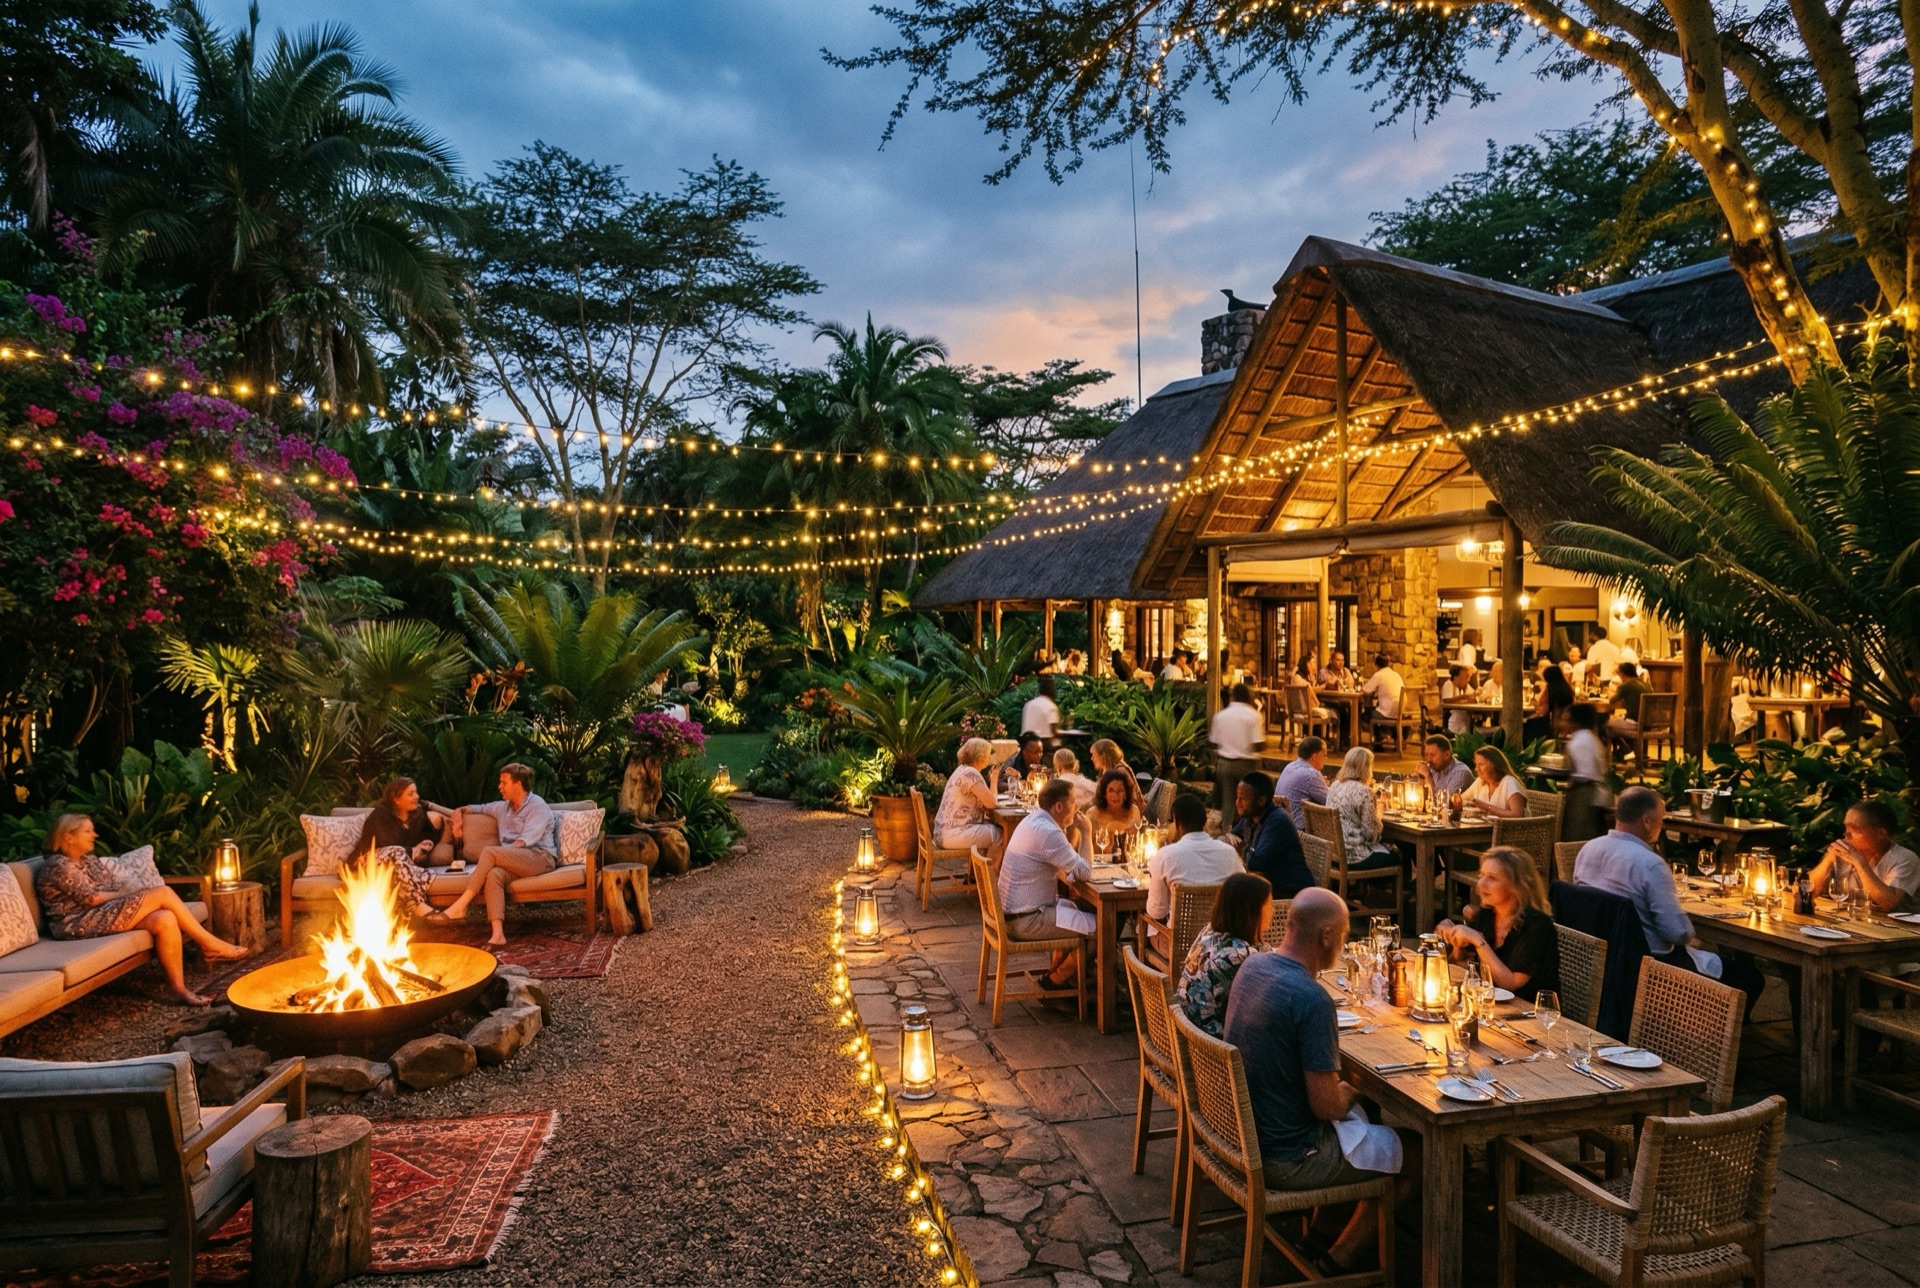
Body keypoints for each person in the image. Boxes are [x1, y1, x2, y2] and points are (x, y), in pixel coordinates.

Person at [1223, 888, 1407, 1275]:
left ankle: (1320, 1234)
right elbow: (1326, 1106)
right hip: (1287, 1159)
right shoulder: (1311, 999)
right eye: (1341, 936)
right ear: (1326, 936)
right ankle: (1341, 1258)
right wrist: (1361, 1086)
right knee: (1420, 1152)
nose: (1341, 945)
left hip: (1243, 1136)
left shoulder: (1253, 966)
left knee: (1362, 1122)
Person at [1573, 786, 1765, 1002]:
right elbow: (1677, 933)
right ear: (1647, 820)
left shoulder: (1587, 850)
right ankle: (1714, 1031)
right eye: (1661, 820)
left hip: (1599, 958)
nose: (1661, 826)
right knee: (1752, 979)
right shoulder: (1650, 864)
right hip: (1652, 968)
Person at [34, 814, 249, 1006]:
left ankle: (179, 990)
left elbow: (109, 888)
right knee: (162, 893)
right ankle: (210, 944)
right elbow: (92, 898)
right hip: (76, 922)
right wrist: (132, 896)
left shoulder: (88, 862)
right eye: (87, 831)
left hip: (98, 912)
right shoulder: (58, 865)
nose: (94, 835)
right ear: (68, 837)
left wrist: (126, 895)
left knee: (164, 918)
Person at [442, 763, 558, 947]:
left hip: (540, 858)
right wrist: (459, 813)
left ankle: (461, 905)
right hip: (517, 861)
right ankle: (498, 935)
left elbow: (525, 841)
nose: (499, 787)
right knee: (494, 874)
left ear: (518, 784)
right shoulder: (502, 808)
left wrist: (500, 855)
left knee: (490, 852)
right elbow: (478, 808)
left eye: (504, 783)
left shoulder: (537, 806)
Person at [997, 779, 1092, 987]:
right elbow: (1084, 872)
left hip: (1013, 915)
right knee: (1101, 927)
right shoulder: (1049, 833)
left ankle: (1062, 975)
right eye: (1073, 803)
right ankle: (1055, 981)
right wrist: (1087, 832)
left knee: (1079, 909)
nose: (1077, 808)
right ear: (1058, 806)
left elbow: (1068, 862)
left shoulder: (1034, 820)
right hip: (1027, 921)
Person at [1437, 846, 1559, 1000]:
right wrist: (1452, 936)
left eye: (1492, 878)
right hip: (1491, 1008)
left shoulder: (1538, 926)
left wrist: (1477, 939)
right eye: (1482, 875)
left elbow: (1510, 983)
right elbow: (1461, 957)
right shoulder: (1488, 915)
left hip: (1532, 1013)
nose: (1481, 883)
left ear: (1516, 886)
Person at [1177, 871, 1272, 1036]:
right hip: (1212, 1046)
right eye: (1268, 904)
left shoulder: (1209, 932)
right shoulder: (1241, 956)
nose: (1272, 910)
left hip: (1185, 1027)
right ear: (1252, 911)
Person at [354, 776, 453, 918]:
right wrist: (413, 850)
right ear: (396, 798)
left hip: (396, 866)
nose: (416, 797)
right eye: (410, 794)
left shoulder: (416, 818)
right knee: (399, 854)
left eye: (416, 792)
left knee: (423, 873)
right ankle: (418, 906)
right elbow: (385, 844)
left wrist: (424, 843)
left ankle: (410, 909)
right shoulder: (381, 814)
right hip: (366, 863)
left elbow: (432, 833)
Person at [1806, 800, 1920, 914]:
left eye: (1855, 829)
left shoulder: (1904, 858)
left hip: (1897, 928)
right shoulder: (1843, 853)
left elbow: (1888, 903)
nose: (1846, 834)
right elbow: (1808, 891)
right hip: (1852, 921)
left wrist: (1859, 862)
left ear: (1882, 834)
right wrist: (1828, 860)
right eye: (1846, 827)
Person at [1149, 794, 1244, 925]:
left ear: (1177, 823)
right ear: (1204, 820)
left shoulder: (1165, 855)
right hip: (1219, 940)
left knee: (1143, 924)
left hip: (1179, 942)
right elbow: (1244, 892)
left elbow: (1156, 912)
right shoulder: (1229, 853)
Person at [1233, 772, 1315, 898]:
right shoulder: (1250, 817)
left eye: (1243, 799)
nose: (1237, 803)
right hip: (1267, 882)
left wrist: (1241, 849)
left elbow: (1256, 863)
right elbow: (1232, 837)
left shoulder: (1277, 821)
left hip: (1290, 891)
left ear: (1261, 801)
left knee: (1235, 891)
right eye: (1237, 797)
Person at [1324, 747, 1398, 868]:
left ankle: (1375, 885)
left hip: (1333, 852)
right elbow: (1371, 834)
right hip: (1354, 856)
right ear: (1366, 767)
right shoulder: (1364, 791)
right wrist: (1379, 811)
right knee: (1397, 855)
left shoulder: (1334, 785)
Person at [1211, 682, 1265, 828]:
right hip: (1246, 764)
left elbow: (1213, 743)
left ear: (1232, 696)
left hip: (1224, 763)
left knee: (1228, 802)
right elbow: (1258, 744)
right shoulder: (1254, 716)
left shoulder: (1220, 716)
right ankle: (1247, 831)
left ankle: (1227, 832)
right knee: (1248, 801)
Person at [935, 739, 1003, 853]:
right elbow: (992, 803)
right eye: (987, 755)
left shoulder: (962, 770)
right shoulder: (971, 773)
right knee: (1001, 835)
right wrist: (994, 780)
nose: (989, 759)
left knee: (991, 827)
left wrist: (993, 780)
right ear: (979, 757)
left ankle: (980, 870)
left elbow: (989, 801)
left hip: (943, 832)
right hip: (952, 835)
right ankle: (991, 871)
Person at [1561, 703, 1611, 843]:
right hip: (1595, 791)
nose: (1562, 724)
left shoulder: (1578, 741)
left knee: (1577, 835)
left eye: (1566, 720)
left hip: (1584, 792)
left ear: (1576, 723)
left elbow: (1584, 772)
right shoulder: (1592, 739)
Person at [1276, 736, 1330, 830]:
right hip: (1299, 829)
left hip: (1282, 823)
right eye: (1324, 755)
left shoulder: (1290, 766)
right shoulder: (1312, 774)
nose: (1326, 758)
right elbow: (1330, 801)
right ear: (1315, 756)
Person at [1462, 746, 1528, 819]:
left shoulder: (1509, 782)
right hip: (1487, 828)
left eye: (1481, 764)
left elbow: (1518, 815)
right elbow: (1462, 799)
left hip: (1512, 829)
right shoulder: (1480, 782)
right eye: (1476, 764)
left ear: (1494, 765)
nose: (1476, 769)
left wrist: (1487, 807)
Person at [1086, 768, 1145, 849]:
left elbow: (1137, 845)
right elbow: (1085, 846)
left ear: (1126, 794)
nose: (1116, 795)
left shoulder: (1134, 811)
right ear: (1104, 793)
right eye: (1111, 790)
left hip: (1126, 861)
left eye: (1120, 790)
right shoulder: (1092, 814)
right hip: (1099, 860)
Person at [1524, 660, 1575, 743]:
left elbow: (1542, 707)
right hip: (1567, 723)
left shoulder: (1550, 689)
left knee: (1527, 723)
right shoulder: (1567, 688)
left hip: (1552, 725)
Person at [1360, 653, 1404, 745]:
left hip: (1386, 713)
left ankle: (1380, 738)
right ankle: (1384, 736)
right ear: (1388, 663)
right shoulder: (1396, 675)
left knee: (1361, 717)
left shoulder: (1379, 675)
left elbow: (1365, 691)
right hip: (1399, 711)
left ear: (1376, 665)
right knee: (1376, 709)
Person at [1606, 662, 1653, 747]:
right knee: (1617, 722)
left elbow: (1611, 700)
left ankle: (1625, 750)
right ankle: (1628, 750)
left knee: (1606, 725)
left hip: (1634, 723)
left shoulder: (1625, 685)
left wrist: (1610, 691)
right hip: (1649, 724)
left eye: (1618, 673)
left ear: (1622, 673)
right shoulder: (1647, 685)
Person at [1417, 734, 1474, 801]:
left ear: (1446, 755)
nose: (1429, 759)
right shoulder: (1434, 768)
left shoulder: (1460, 772)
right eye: (1427, 755)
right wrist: (1420, 778)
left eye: (1432, 755)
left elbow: (1445, 802)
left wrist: (1429, 777)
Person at [1022, 674, 1062, 742]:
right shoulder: (1051, 707)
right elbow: (1054, 731)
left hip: (1026, 742)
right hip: (1044, 744)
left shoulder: (1028, 705)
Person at [1440, 664, 1475, 735]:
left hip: (1465, 720)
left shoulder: (1467, 687)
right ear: (1456, 677)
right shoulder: (1449, 684)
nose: (1467, 679)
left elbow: (1472, 696)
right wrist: (1463, 697)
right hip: (1452, 721)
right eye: (1465, 677)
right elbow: (1447, 700)